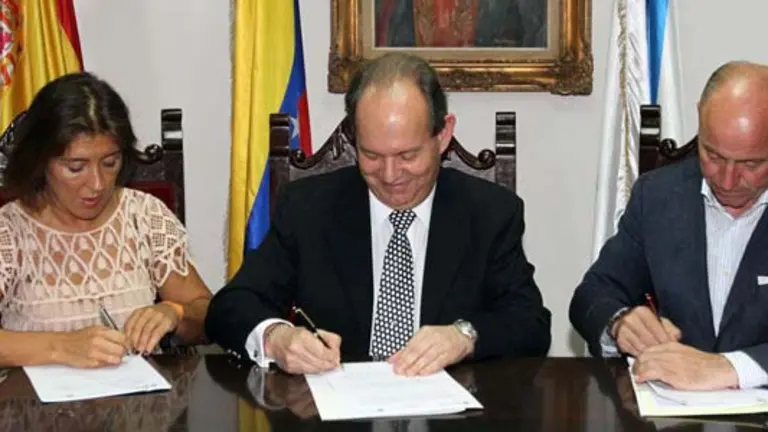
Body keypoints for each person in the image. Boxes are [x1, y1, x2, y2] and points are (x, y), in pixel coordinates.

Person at [206, 52, 551, 376]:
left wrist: (464, 336)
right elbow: (230, 306)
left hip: (449, 404)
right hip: (336, 405)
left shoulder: (490, 212)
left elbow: (531, 323)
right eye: (371, 155)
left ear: (443, 134)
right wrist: (276, 337)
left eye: (407, 155)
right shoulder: (308, 208)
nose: (389, 175)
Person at [570, 61, 768, 390]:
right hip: (674, 408)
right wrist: (620, 323)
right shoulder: (659, 195)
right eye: (713, 156)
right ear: (699, 116)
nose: (728, 180)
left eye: (751, 164)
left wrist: (730, 369)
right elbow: (593, 294)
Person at [0, 72, 211, 368]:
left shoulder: (143, 216)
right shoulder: (9, 232)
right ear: (41, 162)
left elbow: (207, 313)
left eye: (110, 163)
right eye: (76, 168)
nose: (98, 184)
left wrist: (175, 313)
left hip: (138, 395)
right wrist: (61, 347)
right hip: (35, 398)